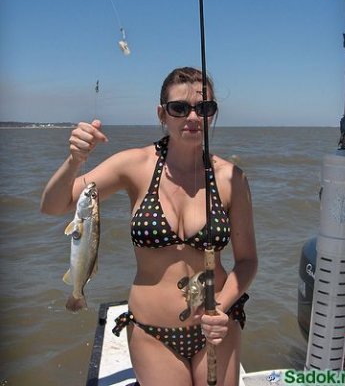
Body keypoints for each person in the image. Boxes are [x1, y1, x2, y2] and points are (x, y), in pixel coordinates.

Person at [41, 67, 257, 386]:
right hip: (153, 333)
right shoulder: (135, 166)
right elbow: (54, 206)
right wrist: (74, 160)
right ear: (162, 114)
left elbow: (248, 260)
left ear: (213, 114)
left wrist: (222, 308)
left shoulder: (231, 178)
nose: (192, 117)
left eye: (204, 108)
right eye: (179, 108)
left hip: (217, 327)